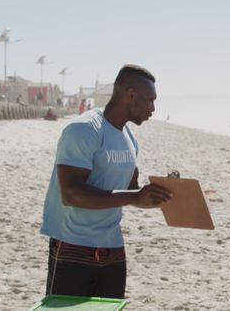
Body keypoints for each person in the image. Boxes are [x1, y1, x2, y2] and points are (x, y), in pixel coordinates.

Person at [40, 64, 172, 299]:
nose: (153, 108)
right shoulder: (83, 129)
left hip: (113, 248)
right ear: (130, 95)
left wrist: (157, 195)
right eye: (149, 100)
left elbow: (130, 189)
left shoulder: (129, 138)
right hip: (73, 244)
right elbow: (70, 193)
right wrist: (134, 197)